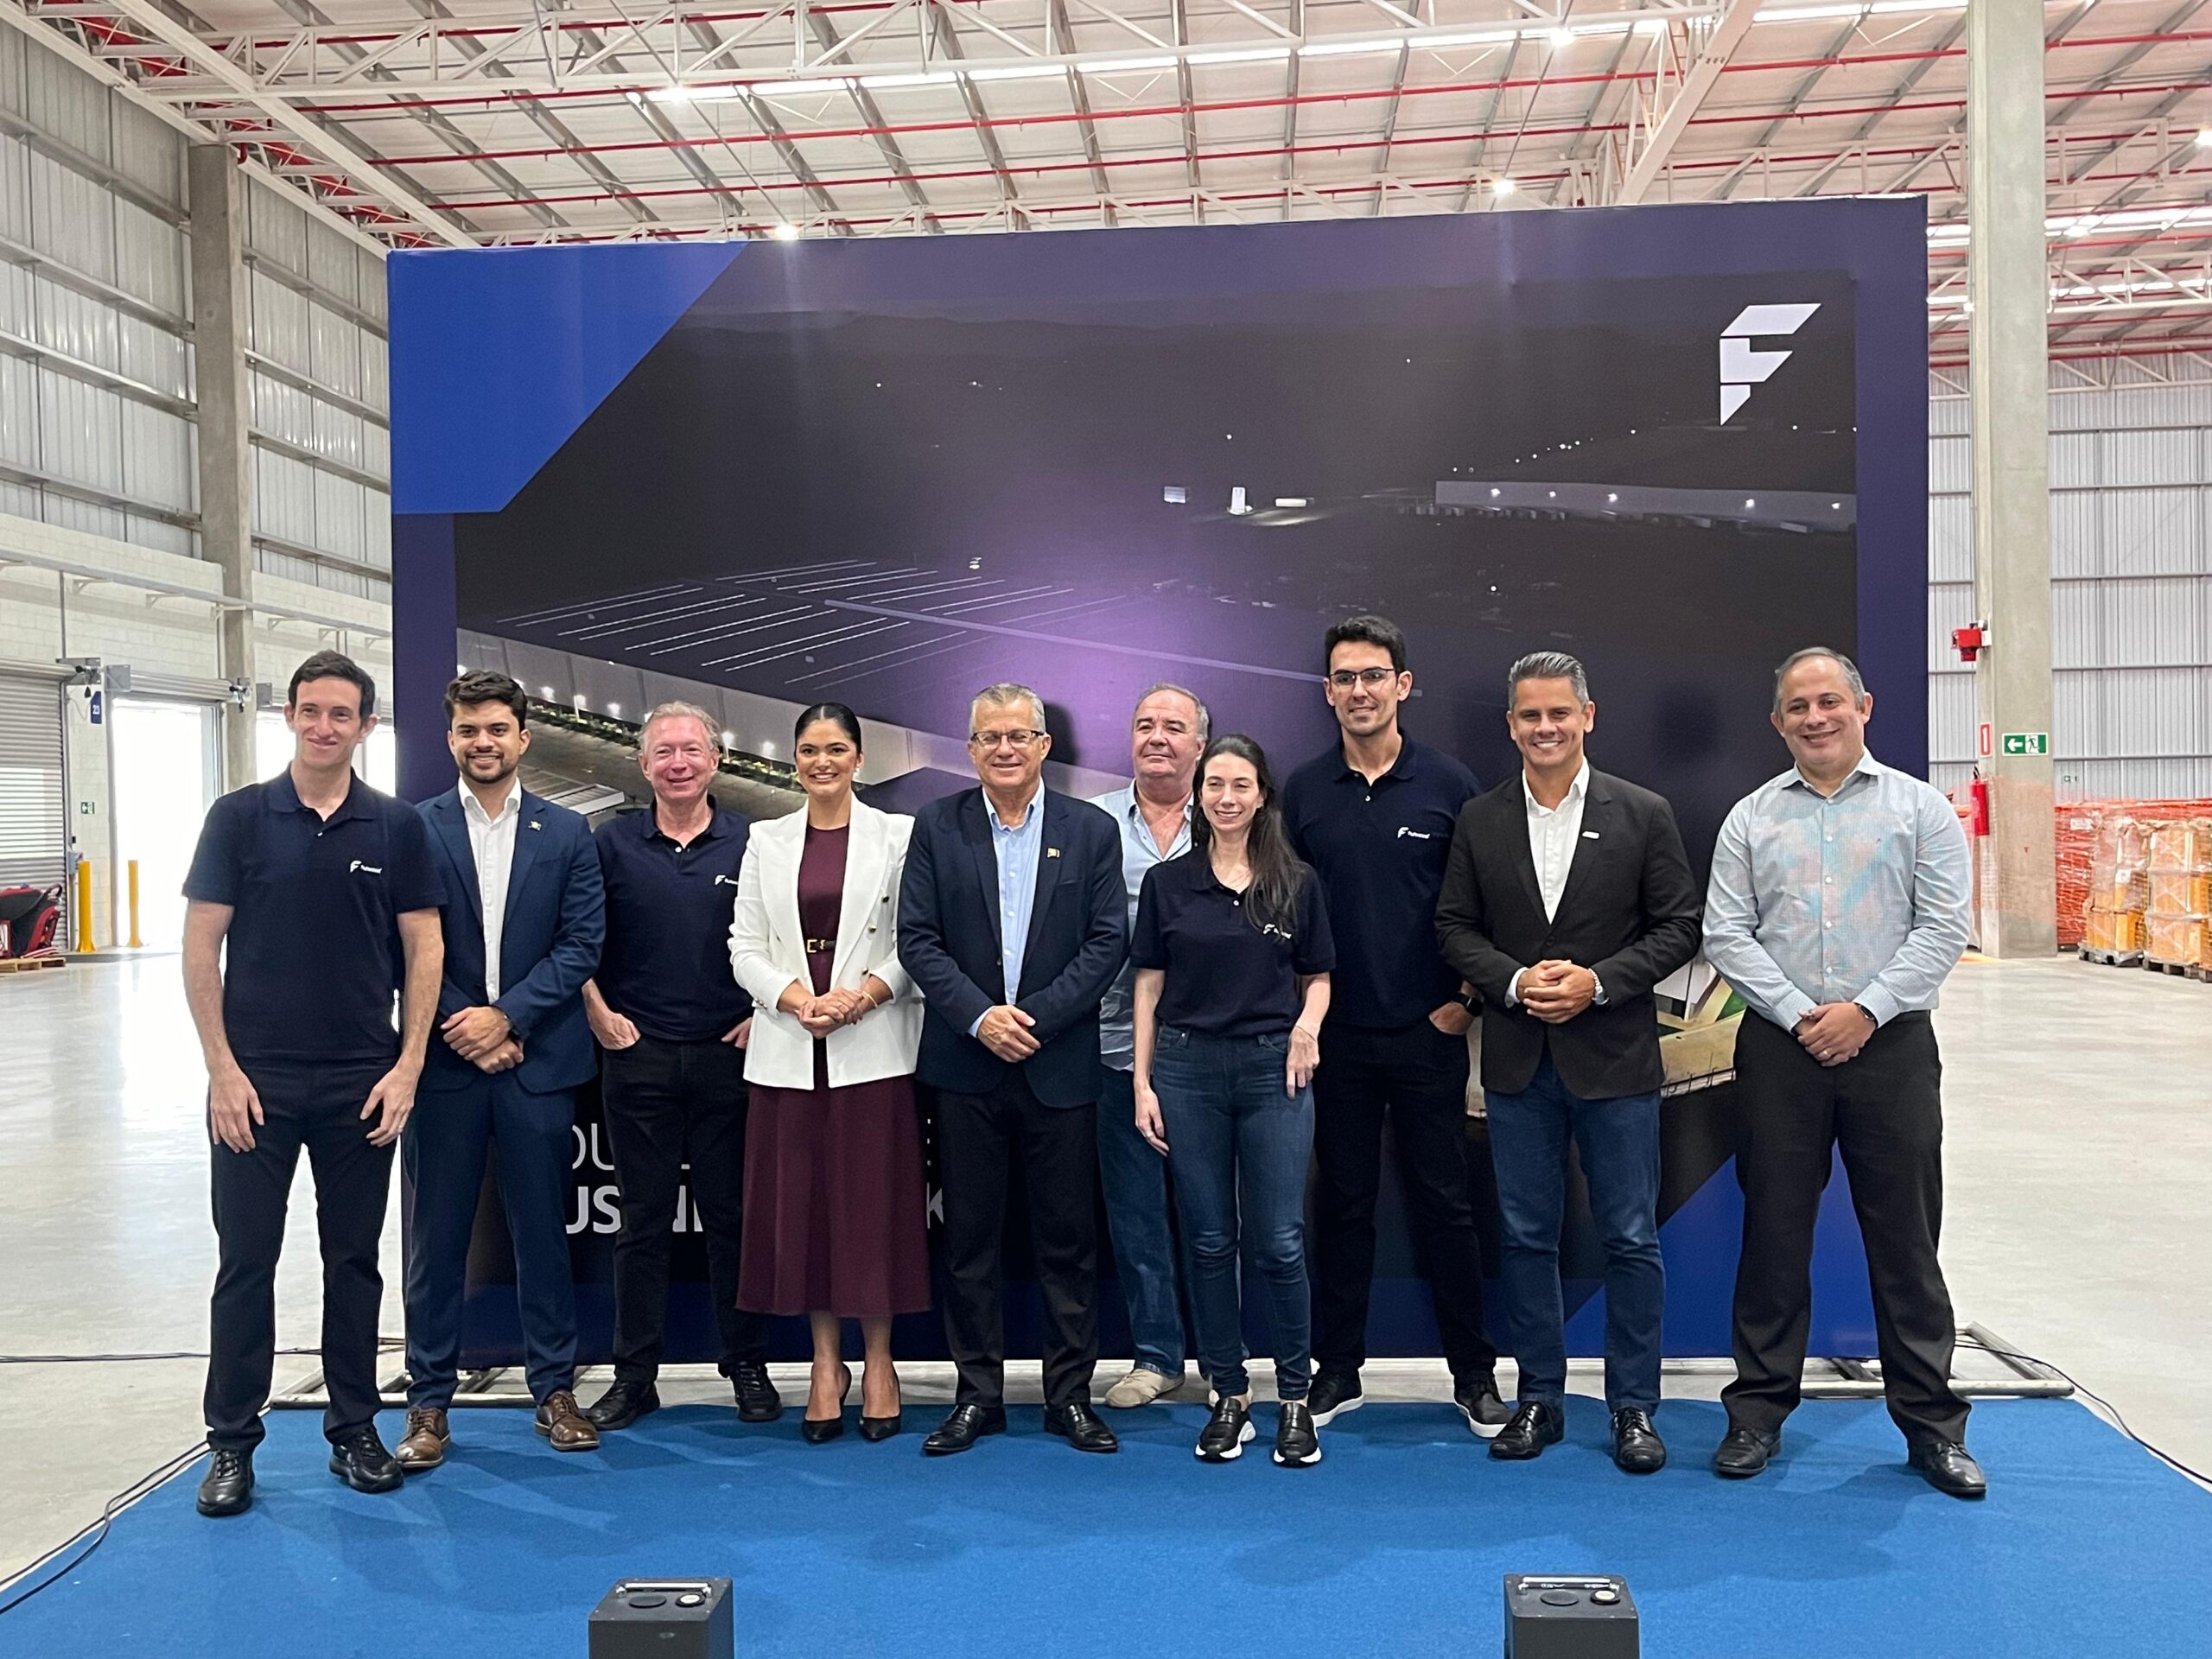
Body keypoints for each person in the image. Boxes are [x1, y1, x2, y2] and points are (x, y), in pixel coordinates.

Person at [1702, 648, 1983, 1497]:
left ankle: (1932, 1427)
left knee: (1906, 1241)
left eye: (1830, 701)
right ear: (1777, 722)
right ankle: (1756, 1414)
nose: (1815, 717)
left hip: (1891, 1048)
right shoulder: (1750, 818)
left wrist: (1865, 1010)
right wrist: (1801, 1014)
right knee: (1773, 1237)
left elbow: (1944, 927)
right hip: (1778, 1051)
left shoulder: (1920, 810)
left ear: (1863, 706)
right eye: (1798, 707)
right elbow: (1725, 933)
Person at [181, 651, 444, 1516]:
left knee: (354, 1263)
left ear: (366, 726)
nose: (323, 726)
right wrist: (222, 1070)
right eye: (310, 710)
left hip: (361, 1083)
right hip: (254, 1084)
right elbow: (201, 946)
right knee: (244, 1262)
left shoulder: (396, 827)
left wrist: (407, 1066)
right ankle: (231, 1443)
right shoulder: (238, 818)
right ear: (289, 716)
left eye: (341, 714)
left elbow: (425, 947)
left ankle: (354, 1429)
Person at [1434, 652, 1701, 1472]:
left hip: (1615, 1062)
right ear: (1510, 725)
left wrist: (1599, 982)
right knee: (1525, 1240)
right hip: (1519, 1064)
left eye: (1559, 713)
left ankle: (1633, 1407)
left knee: (1630, 1239)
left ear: (1588, 716)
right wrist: (1515, 983)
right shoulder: (1479, 818)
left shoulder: (1644, 812)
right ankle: (1540, 1400)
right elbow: (1453, 927)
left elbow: (1679, 926)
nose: (1545, 728)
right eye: (1530, 716)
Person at [1281, 614, 1505, 1434]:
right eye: (1344, 678)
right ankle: (1338, 1370)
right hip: (1335, 1038)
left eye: (1374, 675)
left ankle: (1474, 1375)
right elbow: (1286, 916)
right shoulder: (1304, 791)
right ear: (1327, 692)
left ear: (1403, 685)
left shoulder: (1450, 784)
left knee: (1446, 1206)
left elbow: (1487, 904)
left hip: (1428, 1032)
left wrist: (1465, 1003)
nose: (1359, 691)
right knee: (1343, 1206)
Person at [897, 683, 1128, 1457]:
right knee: (970, 1242)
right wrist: (980, 1018)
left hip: (1057, 1066)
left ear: (1043, 745)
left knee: (1069, 1243)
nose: (1004, 748)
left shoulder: (1090, 831)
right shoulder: (936, 825)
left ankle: (1069, 1398)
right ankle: (978, 1397)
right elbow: (917, 938)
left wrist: (1032, 1019)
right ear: (971, 749)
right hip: (966, 1066)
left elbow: (1106, 941)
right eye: (989, 736)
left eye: (1018, 735)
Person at [397, 671, 607, 1471]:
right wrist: (468, 1026)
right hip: (446, 1067)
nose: (482, 743)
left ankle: (555, 1389)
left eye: (496, 729)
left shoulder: (569, 833)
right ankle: (428, 1402)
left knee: (542, 1235)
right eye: (467, 730)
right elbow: (402, 944)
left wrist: (508, 1018)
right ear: (449, 737)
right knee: (436, 1239)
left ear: (523, 737)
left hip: (536, 1064)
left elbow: (581, 945)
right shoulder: (413, 830)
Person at [729, 703, 929, 1445]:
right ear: (795, 760)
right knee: (807, 1215)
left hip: (872, 1048)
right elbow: (744, 944)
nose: (823, 762)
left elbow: (917, 939)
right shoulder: (766, 839)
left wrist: (861, 996)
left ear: (859, 758)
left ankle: (879, 1362)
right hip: (789, 1050)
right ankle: (824, 1363)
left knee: (872, 1212)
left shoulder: (899, 836)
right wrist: (795, 999)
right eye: (810, 750)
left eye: (837, 749)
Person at [1134, 736, 1334, 1466]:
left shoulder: (1296, 882)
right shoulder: (1167, 884)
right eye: (1214, 784)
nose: (1226, 797)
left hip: (1272, 1072)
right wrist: (1142, 1083)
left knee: (1279, 1241)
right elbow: (1148, 985)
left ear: (1261, 795)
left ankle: (1294, 1399)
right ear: (1200, 794)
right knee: (1210, 1241)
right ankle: (1228, 1394)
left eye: (1240, 785)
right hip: (1186, 1072)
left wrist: (1306, 1030)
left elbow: (1319, 975)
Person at [581, 701, 781, 1433]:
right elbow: (576, 936)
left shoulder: (753, 843)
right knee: (641, 1223)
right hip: (639, 1058)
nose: (678, 763)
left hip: (731, 1057)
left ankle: (746, 1364)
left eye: (691, 750)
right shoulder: (610, 843)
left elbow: (783, 940)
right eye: (663, 752)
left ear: (715, 760)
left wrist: (764, 1014)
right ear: (643, 765)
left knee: (734, 1219)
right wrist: (597, 1011)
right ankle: (635, 1377)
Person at [1089, 684, 1205, 1408]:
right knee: (1136, 1215)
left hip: (1210, 1053)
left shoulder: (1232, 817)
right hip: (1112, 1049)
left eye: (1173, 726)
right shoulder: (1093, 823)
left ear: (1200, 744)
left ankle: (1224, 1361)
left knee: (1214, 1219)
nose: (1157, 737)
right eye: (1144, 725)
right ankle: (1157, 1357)